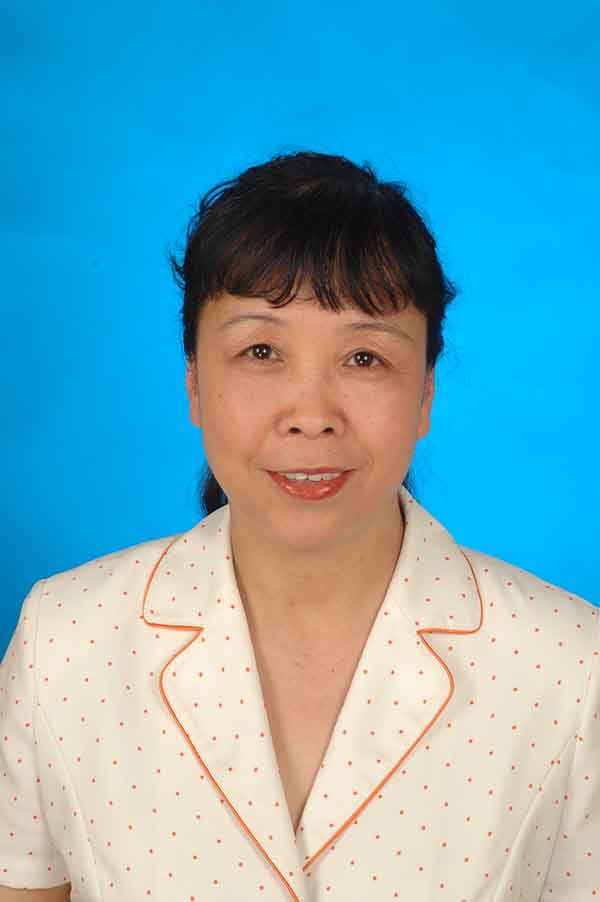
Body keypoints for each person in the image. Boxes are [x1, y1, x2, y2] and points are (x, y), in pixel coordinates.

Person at [0, 150, 598, 902]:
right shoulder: (65, 642)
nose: (311, 416)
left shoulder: (570, 668)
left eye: (364, 357)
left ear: (424, 394)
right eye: (261, 351)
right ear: (194, 382)